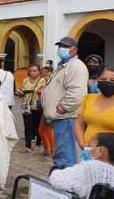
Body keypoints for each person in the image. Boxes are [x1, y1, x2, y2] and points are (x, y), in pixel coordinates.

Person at [41, 36, 88, 169]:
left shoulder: (76, 67)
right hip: (59, 117)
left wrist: (63, 108)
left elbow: (77, 93)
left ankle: (66, 180)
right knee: (62, 150)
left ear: (74, 49)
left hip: (66, 117)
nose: (61, 49)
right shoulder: (63, 66)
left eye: (65, 47)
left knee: (65, 154)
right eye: (60, 46)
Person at [48, 133, 114, 199]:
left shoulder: (91, 167)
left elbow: (57, 181)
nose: (87, 148)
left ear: (101, 151)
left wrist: (55, 170)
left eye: (90, 146)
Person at [15, 65, 43, 152]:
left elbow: (46, 92)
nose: (32, 73)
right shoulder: (25, 80)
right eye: (30, 71)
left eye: (34, 71)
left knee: (37, 126)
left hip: (37, 106)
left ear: (39, 72)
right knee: (28, 125)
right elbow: (22, 92)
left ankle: (38, 143)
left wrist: (40, 92)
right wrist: (20, 92)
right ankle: (28, 145)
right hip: (26, 106)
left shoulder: (42, 81)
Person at [37, 65, 55, 157]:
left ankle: (51, 149)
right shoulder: (46, 80)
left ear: (49, 72)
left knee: (46, 129)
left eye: (44, 71)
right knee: (44, 129)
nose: (42, 73)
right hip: (46, 107)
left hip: (49, 107)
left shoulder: (50, 81)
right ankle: (48, 148)